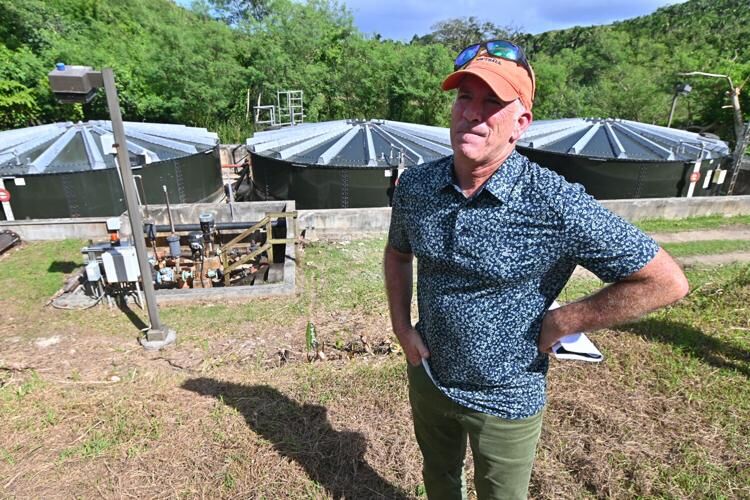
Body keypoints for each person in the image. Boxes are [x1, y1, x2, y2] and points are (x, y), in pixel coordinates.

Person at [383, 40, 689, 500]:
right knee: (439, 480)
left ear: (519, 123)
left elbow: (666, 281)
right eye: (464, 97)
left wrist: (564, 321)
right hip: (429, 374)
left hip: (507, 396)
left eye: (492, 103)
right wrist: (402, 327)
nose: (472, 113)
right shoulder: (419, 184)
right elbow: (398, 254)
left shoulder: (553, 202)